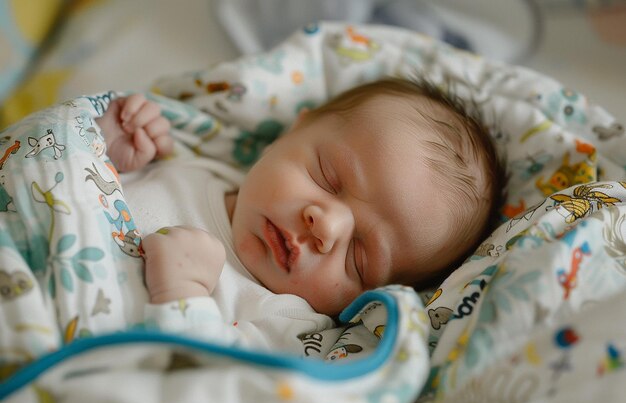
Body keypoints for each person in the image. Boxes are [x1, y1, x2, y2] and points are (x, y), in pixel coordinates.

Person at [96, 77, 505, 325]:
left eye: (359, 259)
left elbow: (222, 391)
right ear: (291, 133)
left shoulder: (283, 324)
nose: (326, 227)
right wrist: (110, 150)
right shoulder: (190, 166)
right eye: (328, 178)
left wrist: (183, 297)